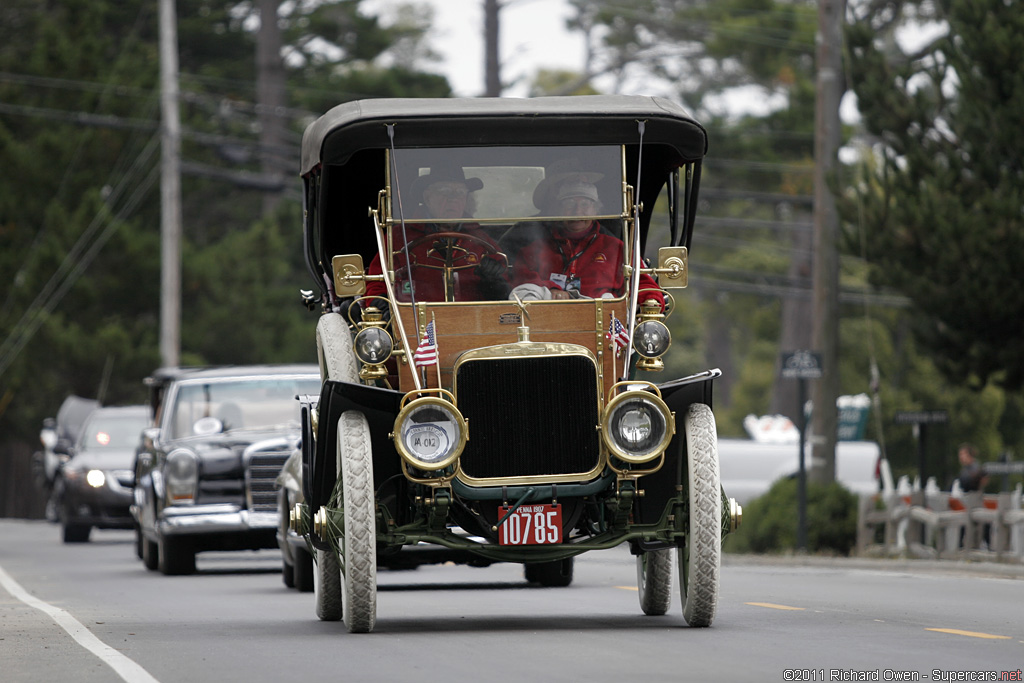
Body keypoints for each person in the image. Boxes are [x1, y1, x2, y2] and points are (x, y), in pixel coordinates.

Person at [512, 166, 664, 309]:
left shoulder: (617, 249)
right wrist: (551, 288)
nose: (578, 211)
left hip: (600, 325)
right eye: (569, 205)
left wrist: (651, 302)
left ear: (596, 211)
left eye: (585, 205)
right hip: (542, 322)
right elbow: (519, 279)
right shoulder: (535, 248)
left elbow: (644, 285)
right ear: (559, 210)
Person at [365, 166, 509, 303]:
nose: (453, 198)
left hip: (474, 322)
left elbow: (507, 288)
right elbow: (376, 283)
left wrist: (494, 282)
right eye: (444, 191)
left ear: (466, 200)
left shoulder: (482, 241)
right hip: (413, 323)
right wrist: (381, 303)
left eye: (460, 192)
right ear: (427, 198)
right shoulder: (398, 238)